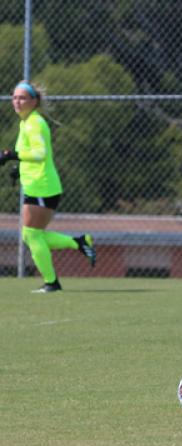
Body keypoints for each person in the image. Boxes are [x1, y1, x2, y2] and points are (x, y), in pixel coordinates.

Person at [0, 80, 96, 292]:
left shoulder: (34, 123)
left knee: (32, 235)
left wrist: (12, 155)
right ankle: (79, 243)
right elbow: (32, 155)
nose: (17, 101)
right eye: (14, 97)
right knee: (33, 235)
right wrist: (19, 167)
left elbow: (40, 153)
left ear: (34, 101)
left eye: (22, 97)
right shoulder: (25, 122)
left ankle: (52, 282)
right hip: (37, 186)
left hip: (43, 187)